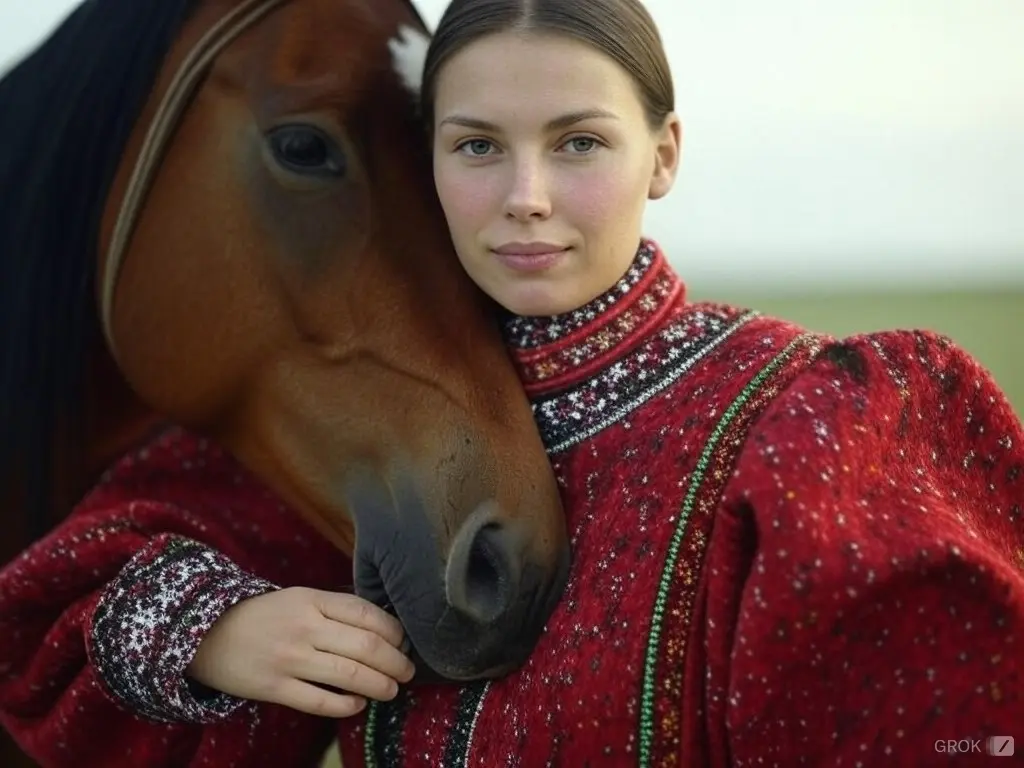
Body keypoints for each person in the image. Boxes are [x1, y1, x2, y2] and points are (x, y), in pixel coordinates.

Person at [331, 0, 1024, 765]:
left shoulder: (806, 419)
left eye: (580, 142)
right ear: (425, 159)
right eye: (478, 145)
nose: (525, 194)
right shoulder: (360, 410)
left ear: (662, 156)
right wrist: (216, 631)